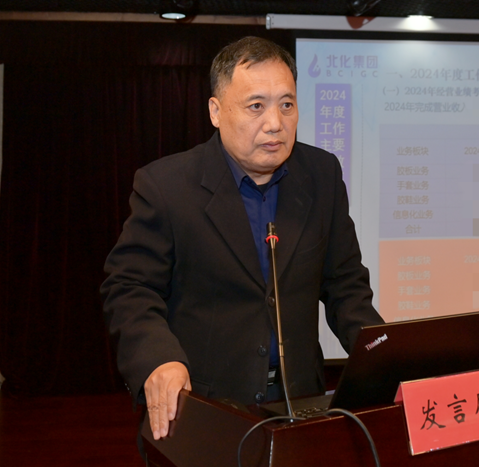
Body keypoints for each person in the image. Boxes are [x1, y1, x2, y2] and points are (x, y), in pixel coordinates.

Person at [101, 36, 383, 442]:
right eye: (256, 106)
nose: (275, 123)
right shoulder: (166, 186)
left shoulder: (321, 174)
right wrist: (158, 359)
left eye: (287, 105)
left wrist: (383, 360)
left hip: (301, 406)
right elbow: (129, 287)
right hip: (204, 408)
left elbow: (345, 285)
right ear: (215, 111)